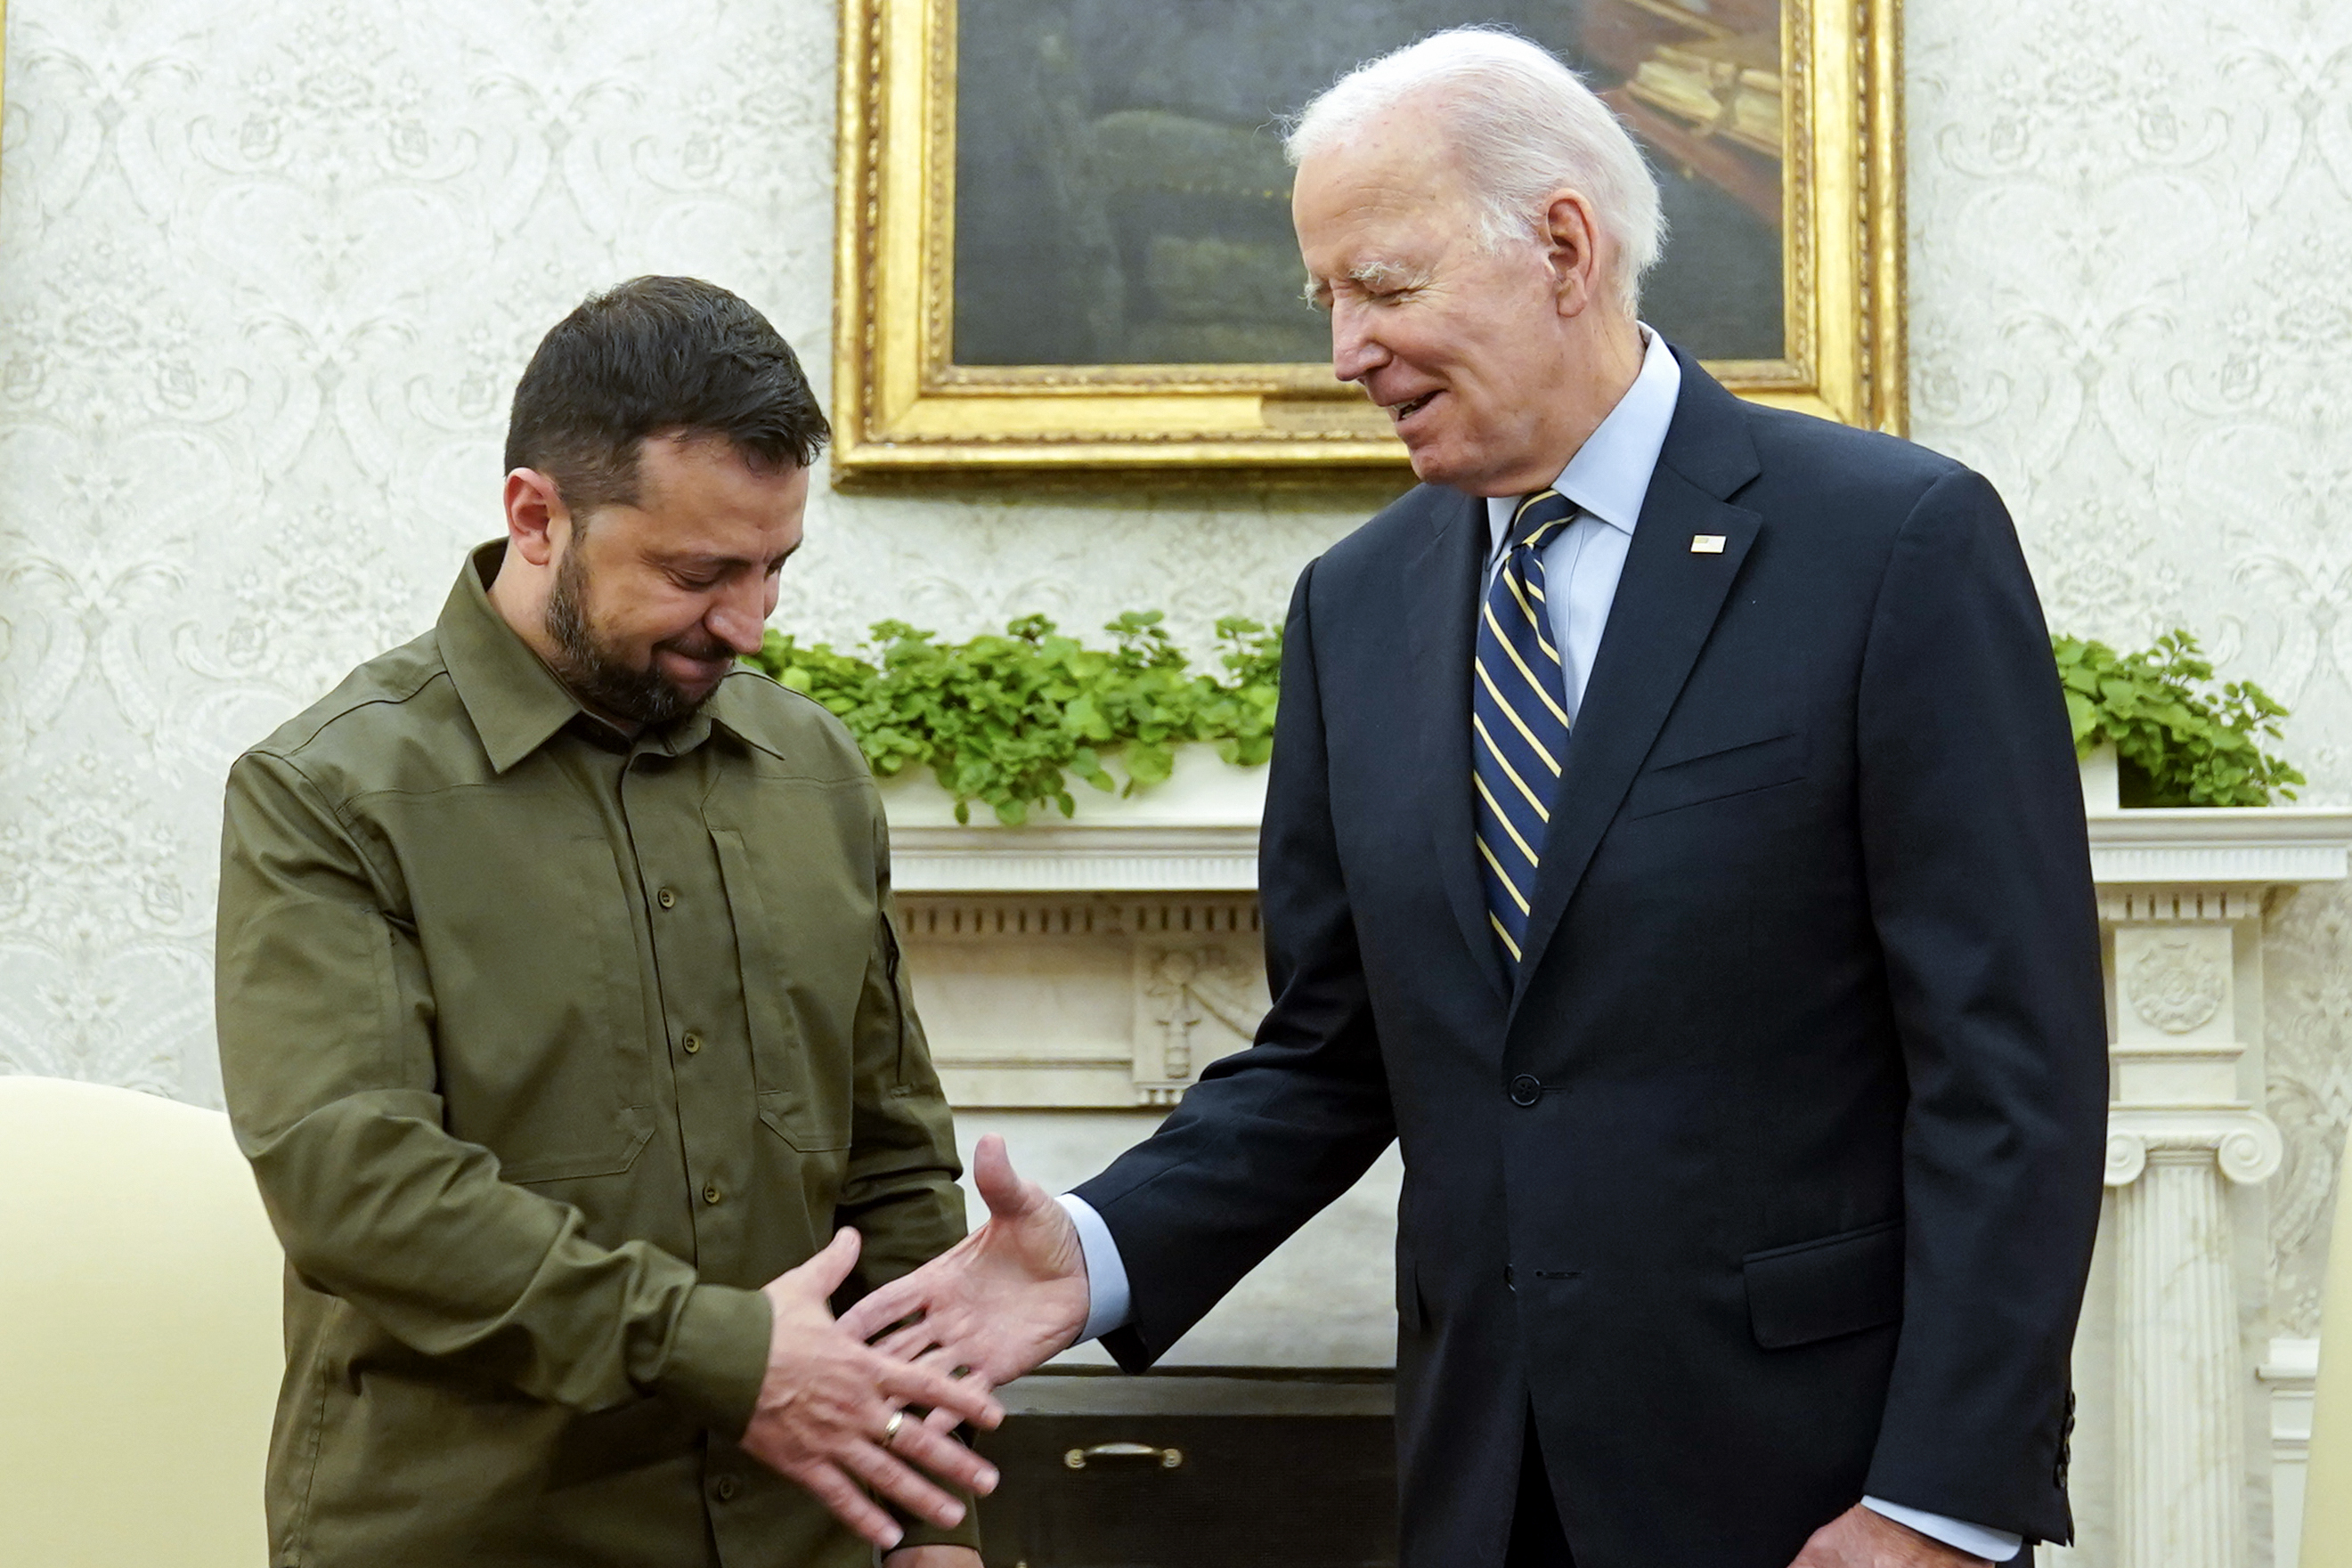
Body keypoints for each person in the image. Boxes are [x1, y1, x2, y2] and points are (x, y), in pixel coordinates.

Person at [843, 29, 2107, 1568]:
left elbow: (2010, 1072)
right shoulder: (1352, 606)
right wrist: (1094, 1253)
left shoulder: (1891, 544)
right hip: (1485, 1485)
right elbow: (1329, 1054)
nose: (1342, 353)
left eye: (1381, 287)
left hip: (1814, 1490)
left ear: (1562, 247)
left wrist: (1939, 1506)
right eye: (1325, 299)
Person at [214, 276, 998, 1568]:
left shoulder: (816, 771)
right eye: (698, 573)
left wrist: (937, 1518)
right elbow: (355, 1183)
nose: (747, 624)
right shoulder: (330, 793)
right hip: (474, 1537)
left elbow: (894, 1165)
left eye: (774, 568)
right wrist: (722, 1353)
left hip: (813, 1537)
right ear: (537, 515)